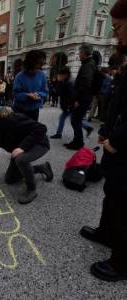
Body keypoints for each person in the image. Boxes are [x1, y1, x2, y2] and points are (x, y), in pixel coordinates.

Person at [80, 0, 127, 282]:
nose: (116, 33)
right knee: (112, 194)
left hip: (124, 146)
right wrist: (106, 129)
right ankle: (106, 232)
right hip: (116, 140)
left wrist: (117, 140)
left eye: (120, 27)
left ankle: (121, 261)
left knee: (125, 203)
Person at [0, 111, 53, 204]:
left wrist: (22, 147)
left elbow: (41, 128)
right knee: (10, 179)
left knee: (20, 159)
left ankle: (31, 189)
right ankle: (42, 168)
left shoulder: (11, 120)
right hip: (20, 149)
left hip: (38, 143)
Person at [64, 44, 96, 150]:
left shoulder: (88, 65)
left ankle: (78, 143)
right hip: (84, 98)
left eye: (80, 52)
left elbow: (85, 84)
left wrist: (78, 99)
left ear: (85, 53)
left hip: (83, 99)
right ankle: (77, 141)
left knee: (75, 120)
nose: (79, 54)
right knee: (75, 120)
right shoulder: (88, 63)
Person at [13, 50, 49, 121]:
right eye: (37, 64)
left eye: (40, 64)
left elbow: (45, 91)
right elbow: (16, 94)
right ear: (30, 63)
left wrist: (38, 94)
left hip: (34, 110)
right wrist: (27, 95)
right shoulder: (19, 76)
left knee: (32, 130)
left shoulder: (41, 75)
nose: (39, 67)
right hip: (20, 110)